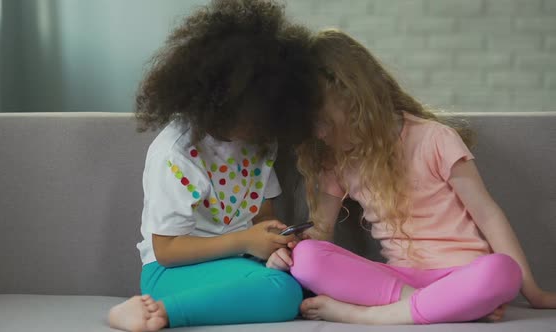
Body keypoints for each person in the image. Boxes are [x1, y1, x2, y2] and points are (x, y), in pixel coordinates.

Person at [266, 29, 556, 325]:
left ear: (356, 102)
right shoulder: (336, 160)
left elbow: (489, 216)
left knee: (502, 271)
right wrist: (290, 252)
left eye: (324, 122)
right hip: (400, 281)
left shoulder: (435, 139)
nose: (319, 134)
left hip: (460, 273)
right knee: (308, 257)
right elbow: (321, 233)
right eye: (312, 126)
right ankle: (438, 305)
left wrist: (533, 293)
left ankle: (368, 316)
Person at [108, 1, 322, 330]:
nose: (261, 128)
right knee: (282, 291)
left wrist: (276, 242)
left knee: (310, 272)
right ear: (221, 102)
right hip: (170, 272)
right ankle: (158, 312)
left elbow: (262, 216)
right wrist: (245, 242)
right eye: (254, 116)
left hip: (238, 260)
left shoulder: (261, 141)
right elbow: (166, 249)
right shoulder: (175, 154)